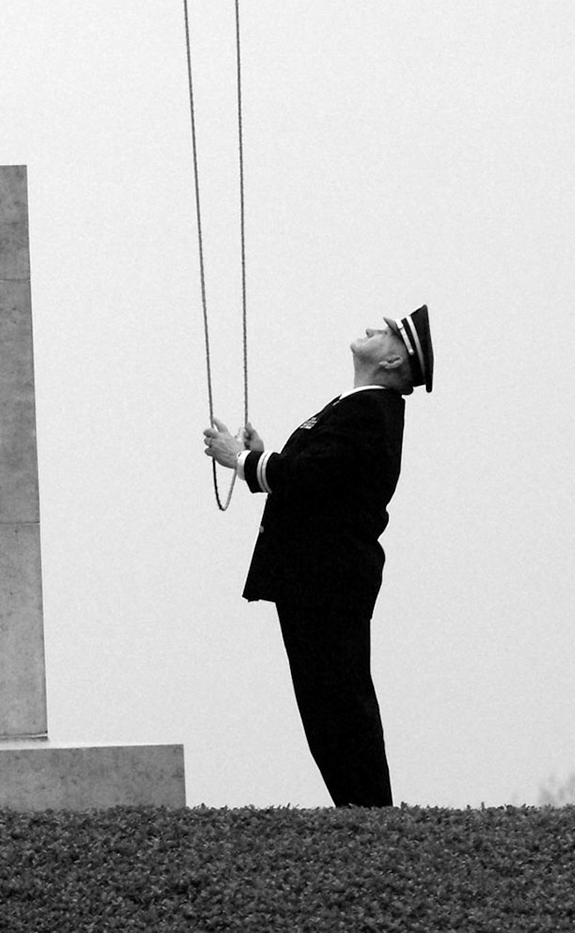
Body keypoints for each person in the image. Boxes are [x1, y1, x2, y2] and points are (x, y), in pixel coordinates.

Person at [203, 307, 432, 808]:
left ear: (394, 360)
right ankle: (360, 810)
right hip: (318, 576)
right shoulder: (358, 406)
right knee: (328, 702)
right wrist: (264, 458)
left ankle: (369, 812)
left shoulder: (370, 411)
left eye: (387, 333)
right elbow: (316, 476)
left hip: (327, 577)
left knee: (338, 701)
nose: (374, 329)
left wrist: (241, 460)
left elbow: (310, 478)